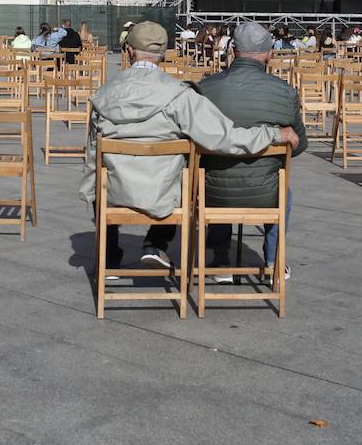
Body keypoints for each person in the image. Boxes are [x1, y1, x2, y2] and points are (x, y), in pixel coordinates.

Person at [80, 21, 300, 269]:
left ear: (129, 51)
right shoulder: (181, 96)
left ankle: (109, 259)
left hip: (113, 192)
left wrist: (91, 189)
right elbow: (225, 137)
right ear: (163, 53)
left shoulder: (102, 95)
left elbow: (91, 152)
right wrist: (271, 134)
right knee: (188, 174)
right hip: (165, 195)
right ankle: (155, 242)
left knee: (101, 174)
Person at [198, 22, 306, 281]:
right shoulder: (285, 92)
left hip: (212, 191)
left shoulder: (206, 89)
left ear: (232, 50)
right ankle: (272, 261)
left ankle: (221, 258)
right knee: (283, 191)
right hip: (265, 192)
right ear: (269, 53)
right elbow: (299, 145)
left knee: (218, 171)